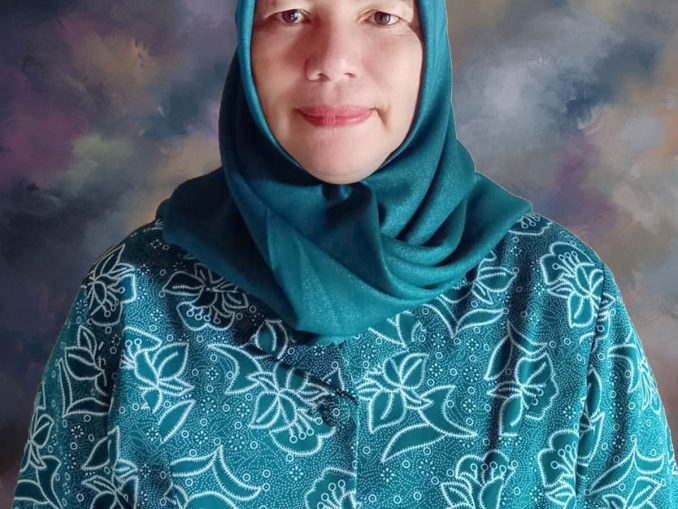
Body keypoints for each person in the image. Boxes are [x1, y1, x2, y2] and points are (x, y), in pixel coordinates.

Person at [11, 0, 678, 507]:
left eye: (381, 16)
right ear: (246, 44)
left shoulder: (562, 296)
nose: (332, 60)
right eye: (291, 14)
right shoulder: (131, 296)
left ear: (430, 47)